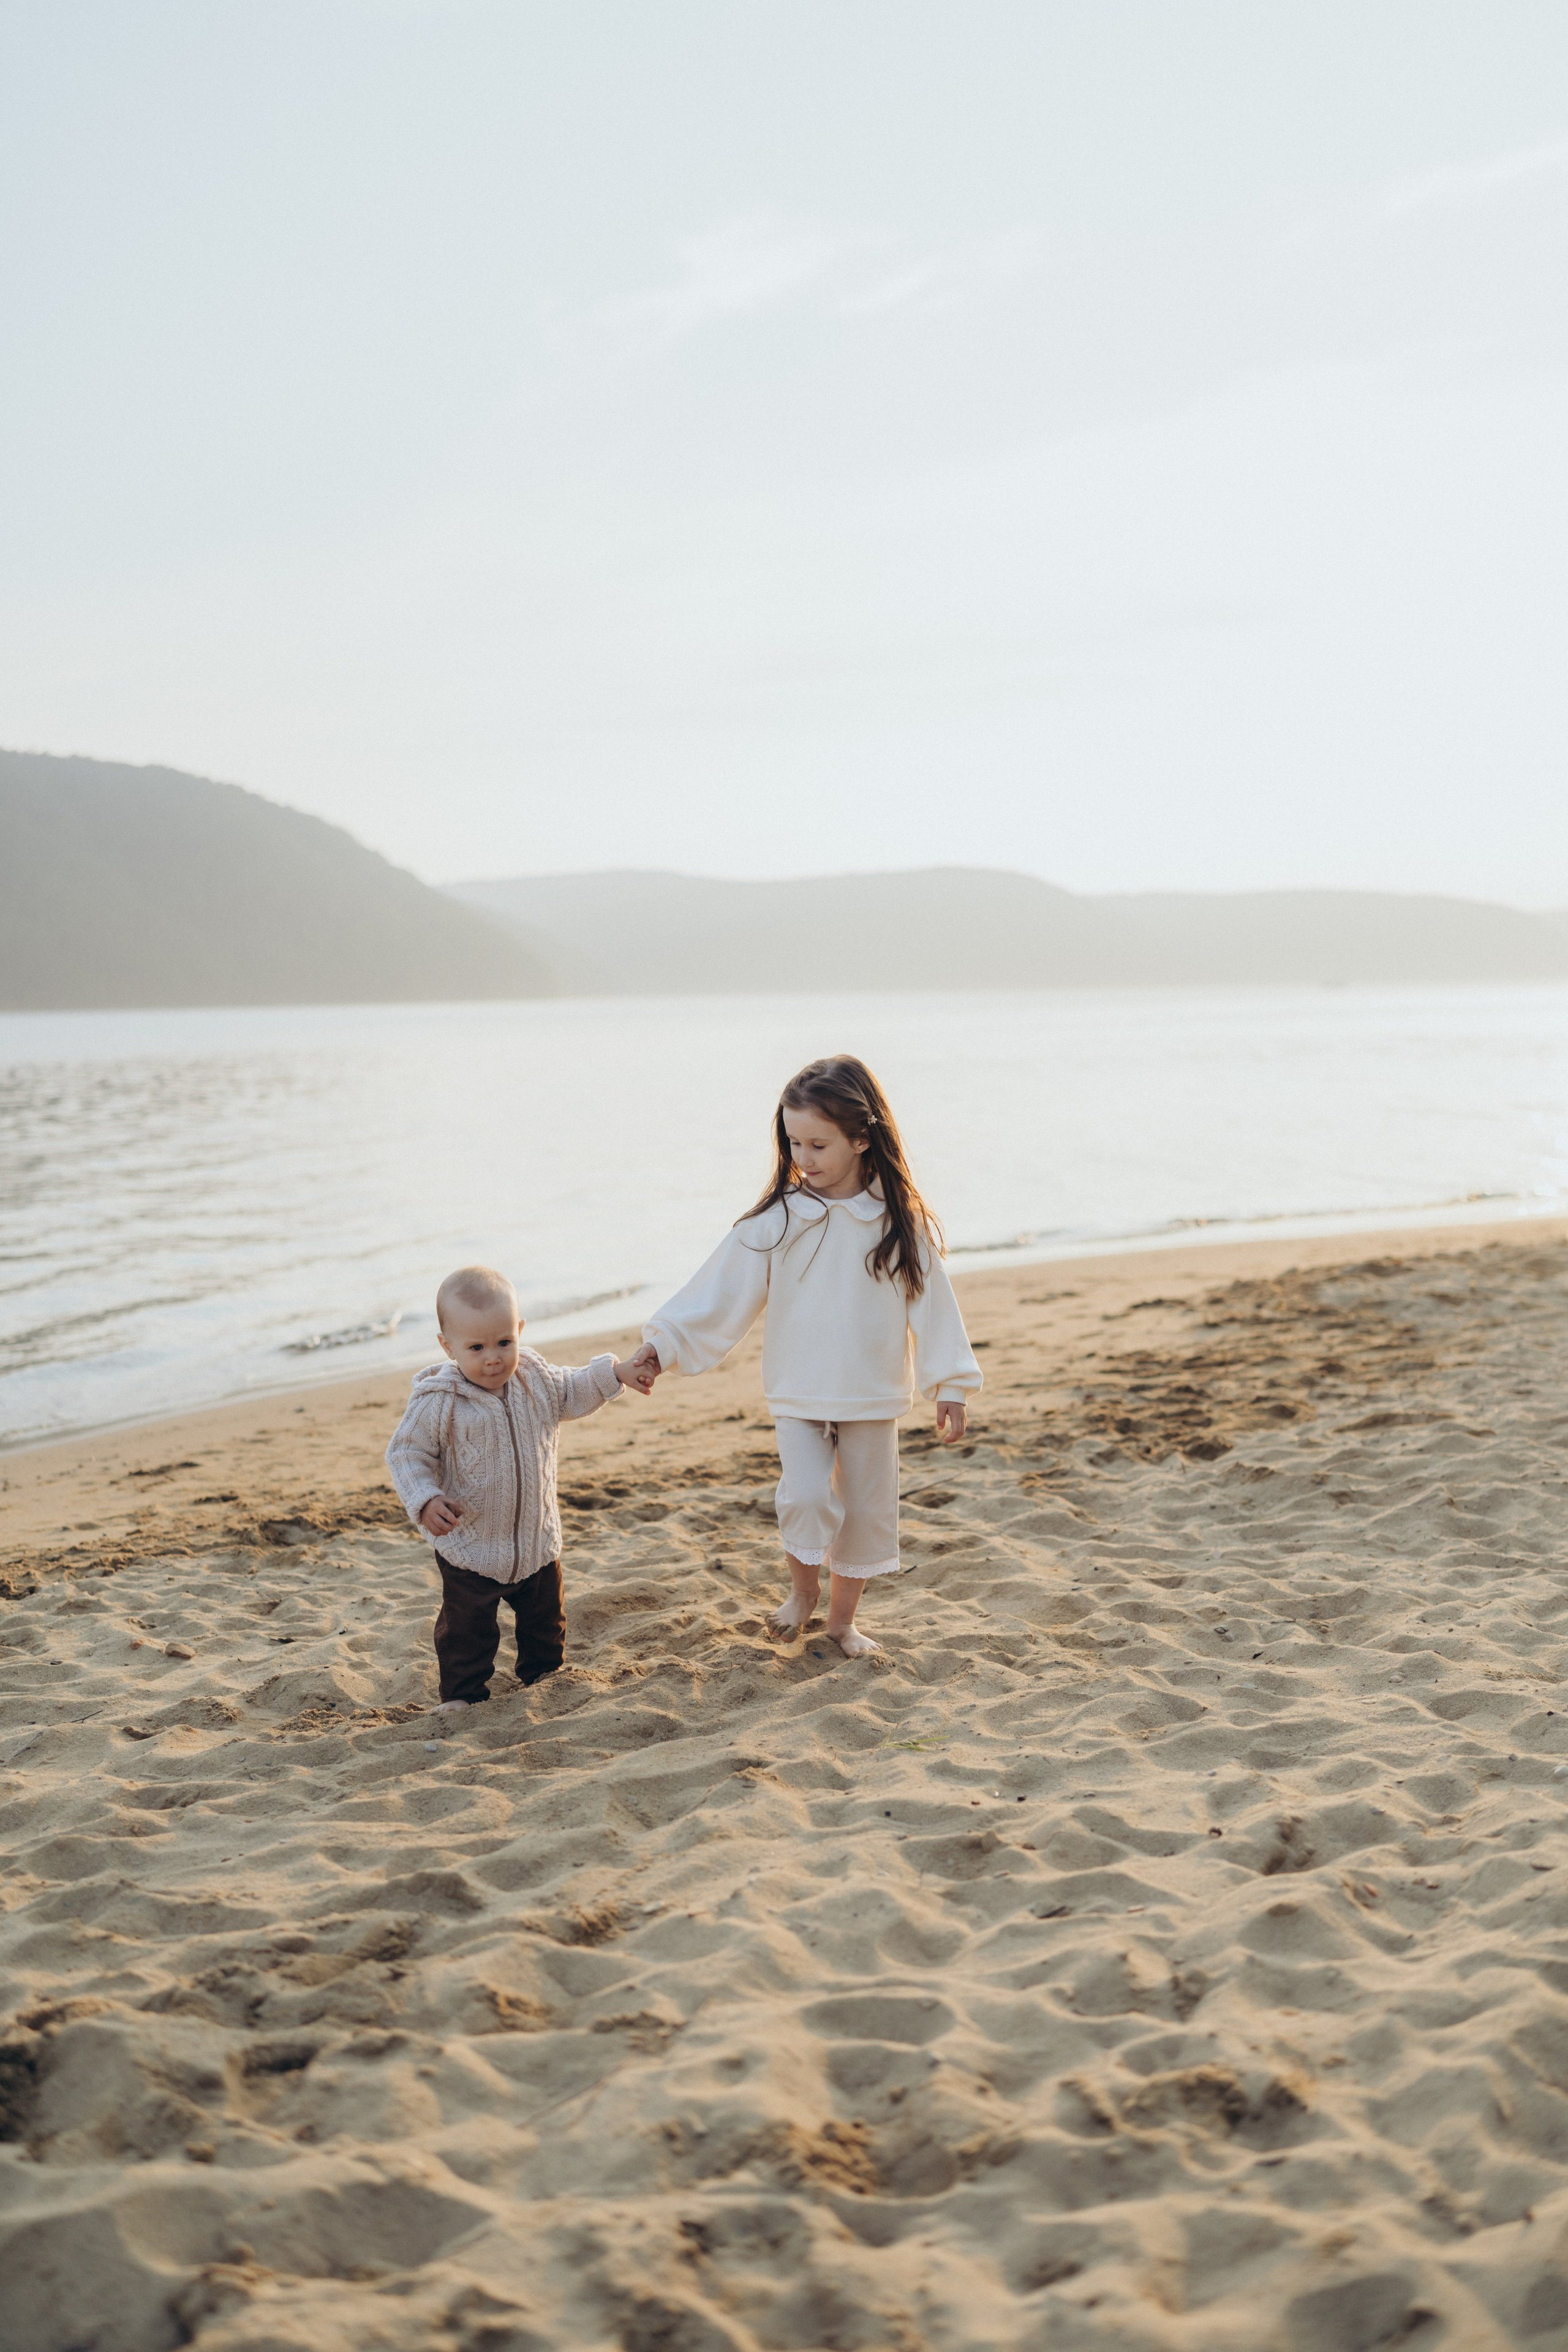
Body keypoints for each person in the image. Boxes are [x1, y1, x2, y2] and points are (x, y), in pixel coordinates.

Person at [642, 1055, 981, 1656]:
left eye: (819, 1144)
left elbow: (933, 1307)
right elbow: (717, 1292)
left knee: (864, 1515)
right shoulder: (779, 1219)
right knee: (803, 1496)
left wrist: (949, 1385)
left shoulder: (898, 1222)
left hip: (871, 1393)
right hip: (799, 1390)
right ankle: (801, 1594)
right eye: (794, 1142)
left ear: (860, 1137)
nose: (804, 1157)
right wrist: (662, 1347)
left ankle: (841, 1623)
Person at [385, 1265, 659, 1711]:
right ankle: (462, 1696)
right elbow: (407, 1455)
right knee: (465, 1631)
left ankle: (545, 1676)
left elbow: (573, 1389)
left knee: (546, 1622)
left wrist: (617, 1374)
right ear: (447, 1346)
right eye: (476, 1347)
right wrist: (426, 1499)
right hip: (471, 1548)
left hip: (535, 1542)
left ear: (520, 1332)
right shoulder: (439, 1401)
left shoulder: (534, 1378)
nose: (493, 1357)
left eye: (504, 1342)